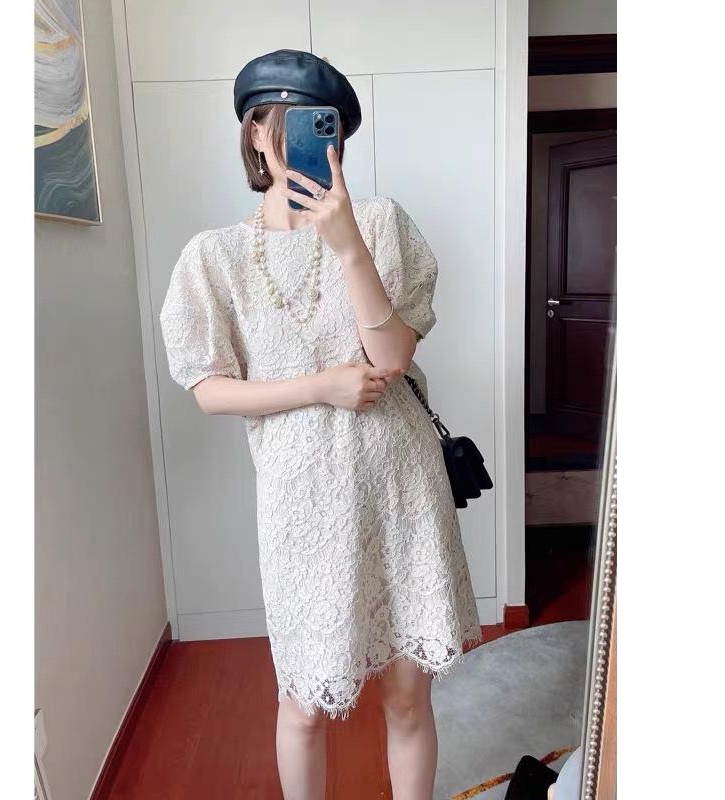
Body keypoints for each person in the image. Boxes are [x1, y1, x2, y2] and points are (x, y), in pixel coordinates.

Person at [159, 48, 481, 800]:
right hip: (300, 504)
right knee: (302, 704)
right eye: (289, 121)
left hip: (399, 487)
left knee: (407, 694)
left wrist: (347, 246)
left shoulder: (381, 224)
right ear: (255, 133)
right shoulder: (213, 259)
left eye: (324, 125)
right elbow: (209, 390)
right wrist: (321, 387)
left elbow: (392, 357)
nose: (309, 138)